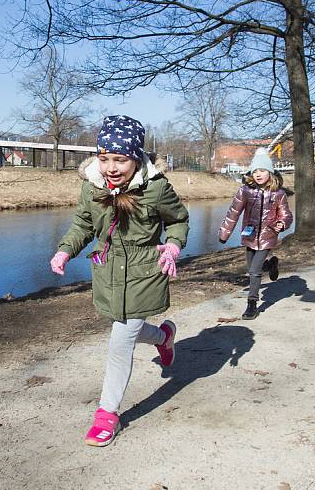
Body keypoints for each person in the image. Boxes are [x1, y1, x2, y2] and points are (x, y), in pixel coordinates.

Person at [49, 115, 189, 448]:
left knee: (119, 342)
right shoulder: (92, 186)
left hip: (144, 273)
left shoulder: (155, 188)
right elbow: (83, 225)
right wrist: (65, 251)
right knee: (127, 326)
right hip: (108, 272)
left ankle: (107, 414)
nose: (111, 167)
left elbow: (179, 221)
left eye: (120, 159)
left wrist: (173, 246)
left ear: (136, 158)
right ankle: (163, 337)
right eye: (105, 157)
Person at [218, 148, 293, 320]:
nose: (258, 174)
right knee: (252, 269)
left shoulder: (279, 193)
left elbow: (286, 214)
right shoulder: (245, 191)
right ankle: (271, 265)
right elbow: (233, 213)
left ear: (270, 172)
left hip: (268, 235)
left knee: (254, 271)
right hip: (250, 235)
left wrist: (282, 224)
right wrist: (224, 233)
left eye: (263, 170)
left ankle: (252, 304)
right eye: (256, 171)